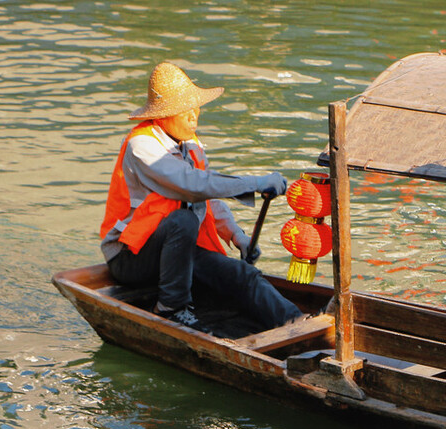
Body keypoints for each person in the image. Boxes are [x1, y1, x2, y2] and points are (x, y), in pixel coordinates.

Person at [100, 62, 302, 332]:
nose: (193, 116)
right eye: (184, 111)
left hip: (177, 253)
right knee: (182, 220)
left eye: (195, 108)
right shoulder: (143, 145)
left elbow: (209, 200)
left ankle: (300, 323)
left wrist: (236, 235)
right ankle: (171, 307)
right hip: (131, 257)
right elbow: (195, 185)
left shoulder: (191, 144)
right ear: (164, 115)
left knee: (242, 274)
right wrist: (255, 182)